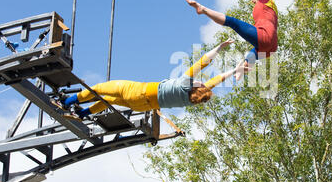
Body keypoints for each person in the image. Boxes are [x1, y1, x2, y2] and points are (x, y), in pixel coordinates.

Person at [53, 39, 242, 121]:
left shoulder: (185, 84)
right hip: (141, 106)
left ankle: (66, 102)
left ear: (198, 86)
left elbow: (203, 62)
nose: (203, 82)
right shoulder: (191, 100)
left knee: (99, 89)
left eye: (202, 83)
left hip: (137, 92)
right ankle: (83, 114)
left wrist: (219, 47)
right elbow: (215, 81)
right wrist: (236, 69)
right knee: (108, 101)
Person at [186, 0, 278, 81]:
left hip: (265, 36)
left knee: (232, 22)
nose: (252, 0)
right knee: (254, 52)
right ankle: (242, 68)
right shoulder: (270, 3)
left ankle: (203, 9)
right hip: (272, 46)